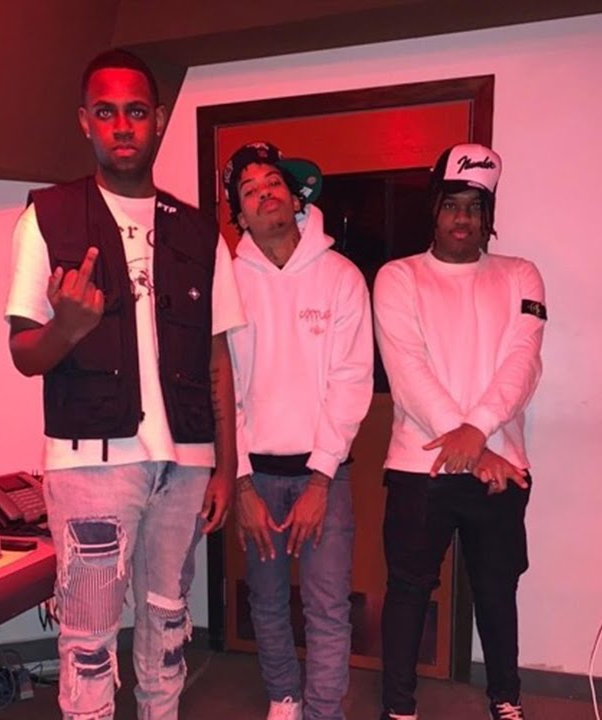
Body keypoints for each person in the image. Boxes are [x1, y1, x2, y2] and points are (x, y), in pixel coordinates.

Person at [3, 48, 245, 720]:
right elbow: (24, 353)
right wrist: (66, 329)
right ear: (85, 121)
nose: (122, 126)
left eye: (135, 112)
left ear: (158, 120)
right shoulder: (48, 218)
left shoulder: (199, 232)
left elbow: (217, 357)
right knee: (88, 642)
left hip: (185, 463)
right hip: (91, 464)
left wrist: (226, 467)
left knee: (167, 628)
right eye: (105, 113)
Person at [372, 143, 547, 720]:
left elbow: (524, 362)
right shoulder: (398, 277)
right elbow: (407, 370)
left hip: (502, 465)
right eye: (451, 204)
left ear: (488, 214)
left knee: (497, 588)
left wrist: (479, 435)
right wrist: (472, 444)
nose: (463, 218)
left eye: (475, 206)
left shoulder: (521, 275)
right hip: (420, 464)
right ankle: (398, 707)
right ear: (434, 209)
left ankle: (507, 697)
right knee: (408, 589)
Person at [222, 142, 373, 720]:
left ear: (295, 197)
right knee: (265, 602)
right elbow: (224, 390)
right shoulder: (228, 282)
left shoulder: (340, 277)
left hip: (323, 474)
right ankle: (284, 696)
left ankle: (324, 711)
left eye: (273, 183)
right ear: (240, 215)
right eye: (249, 190)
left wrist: (320, 480)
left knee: (327, 607)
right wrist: (240, 485)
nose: (264, 194)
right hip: (256, 476)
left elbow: (351, 381)